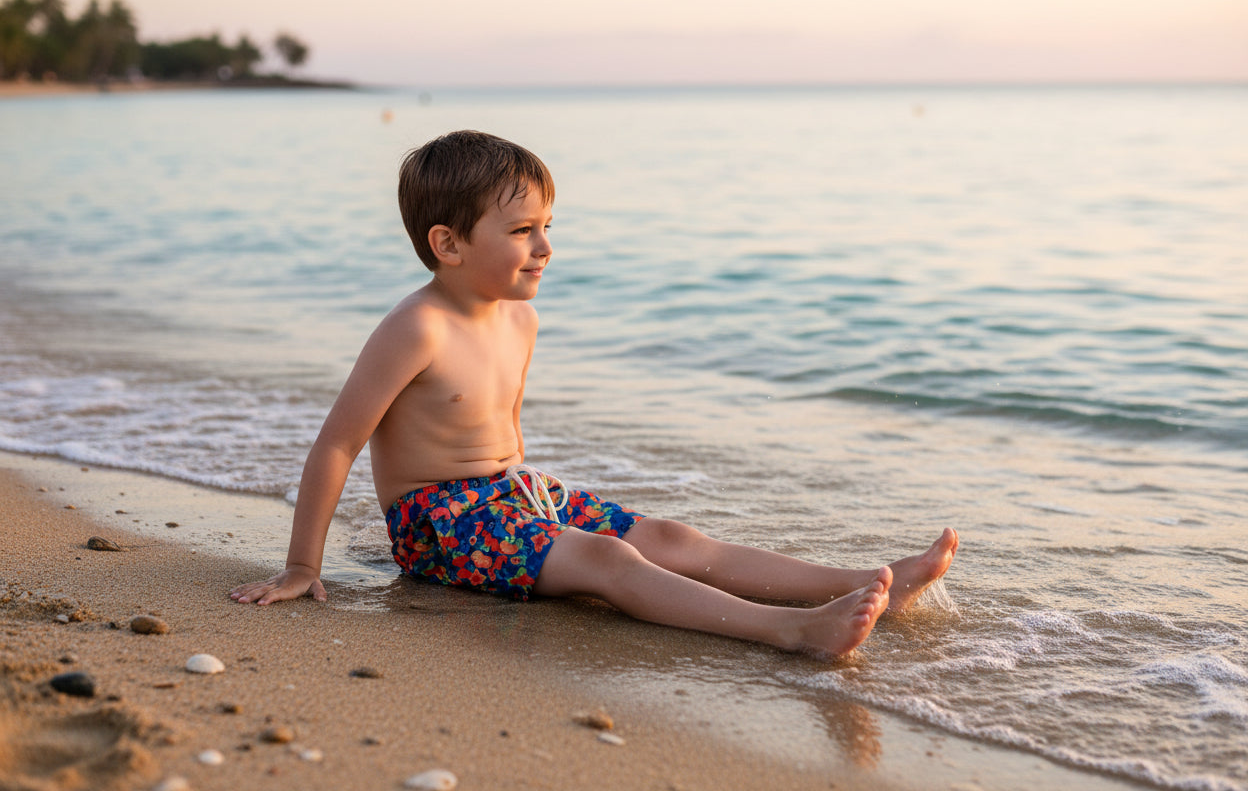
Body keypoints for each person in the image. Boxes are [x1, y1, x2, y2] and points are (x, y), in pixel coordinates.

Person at [230, 130, 958, 658]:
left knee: (671, 539)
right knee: (609, 565)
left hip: (514, 495)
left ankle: (866, 582)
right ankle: (792, 629)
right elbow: (338, 443)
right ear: (448, 244)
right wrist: (303, 566)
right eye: (522, 231)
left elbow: (499, 438)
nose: (545, 247)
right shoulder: (416, 327)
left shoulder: (521, 316)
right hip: (437, 522)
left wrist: (530, 501)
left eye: (548, 226)